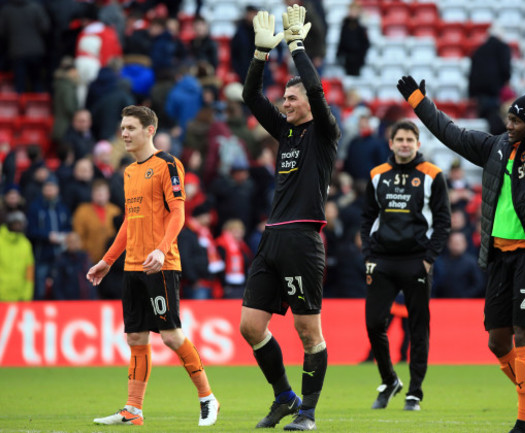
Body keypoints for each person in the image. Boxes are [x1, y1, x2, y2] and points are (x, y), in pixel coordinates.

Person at [396, 64, 525, 433]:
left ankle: (524, 421)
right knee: (497, 342)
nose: (508, 124)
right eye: (507, 118)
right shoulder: (496, 147)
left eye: (516, 120)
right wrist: (419, 102)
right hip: (499, 257)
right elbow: (451, 133)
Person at [86, 105, 219, 427]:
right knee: (135, 338)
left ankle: (207, 398)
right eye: (122, 128)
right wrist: (107, 261)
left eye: (131, 128)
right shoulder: (129, 172)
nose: (124, 134)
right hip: (133, 266)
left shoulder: (168, 164)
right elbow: (130, 223)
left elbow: (178, 213)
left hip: (160, 265)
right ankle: (133, 409)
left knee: (171, 336)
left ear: (150, 130)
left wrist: (161, 251)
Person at [239, 5, 340, 431]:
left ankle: (309, 413)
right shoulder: (286, 133)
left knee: (306, 329)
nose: (285, 104)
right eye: (284, 99)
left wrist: (297, 46)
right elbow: (250, 97)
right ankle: (284, 397)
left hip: (302, 238)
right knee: (250, 326)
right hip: (272, 238)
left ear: (310, 104)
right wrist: (262, 54)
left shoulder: (324, 132)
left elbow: (316, 92)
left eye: (291, 99)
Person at [360, 119, 451, 411]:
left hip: (416, 261)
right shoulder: (377, 175)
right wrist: (368, 256)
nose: (404, 144)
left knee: (418, 326)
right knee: (374, 323)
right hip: (382, 260)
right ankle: (389, 380)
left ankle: (415, 392)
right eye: (399, 139)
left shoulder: (433, 175)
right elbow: (366, 219)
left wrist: (428, 259)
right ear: (391, 143)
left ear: (418, 144)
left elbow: (443, 221)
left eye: (409, 140)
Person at [0, 211, 34, 301]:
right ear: (9, 223)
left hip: (20, 295)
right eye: (16, 223)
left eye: (21, 224)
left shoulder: (25, 244)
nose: (19, 226)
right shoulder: (1, 241)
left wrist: (27, 293)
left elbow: (29, 270)